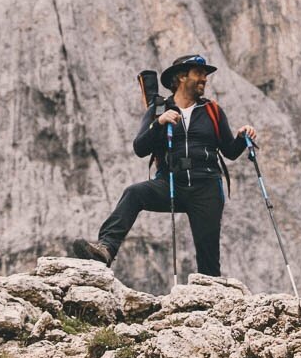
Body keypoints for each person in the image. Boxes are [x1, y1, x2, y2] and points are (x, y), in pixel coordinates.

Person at [71, 54, 256, 277]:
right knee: (134, 193)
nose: (204, 79)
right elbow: (140, 148)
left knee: (209, 260)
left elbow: (230, 152)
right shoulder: (158, 109)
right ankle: (106, 249)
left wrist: (242, 137)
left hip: (207, 188)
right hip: (170, 183)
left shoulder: (212, 111)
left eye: (205, 75)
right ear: (181, 77)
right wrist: (158, 123)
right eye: (199, 73)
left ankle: (209, 295)